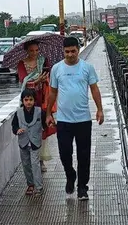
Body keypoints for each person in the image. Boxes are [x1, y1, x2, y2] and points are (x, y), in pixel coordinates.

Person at [46, 36, 104, 200]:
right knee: (65, 153)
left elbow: (94, 89)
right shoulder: (56, 69)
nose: (70, 54)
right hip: (64, 120)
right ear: (63, 52)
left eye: (73, 51)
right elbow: (52, 93)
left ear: (78, 50)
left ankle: (82, 188)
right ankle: (70, 174)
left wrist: (100, 109)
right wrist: (49, 113)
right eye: (67, 52)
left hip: (83, 120)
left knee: (83, 155)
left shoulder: (87, 68)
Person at [16, 39, 55, 174]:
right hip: (29, 101)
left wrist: (44, 79)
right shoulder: (22, 64)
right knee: (29, 129)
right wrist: (37, 80)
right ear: (26, 51)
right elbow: (24, 81)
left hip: (42, 98)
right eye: (31, 51)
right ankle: (31, 159)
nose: (34, 53)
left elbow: (49, 74)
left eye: (37, 50)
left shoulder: (43, 61)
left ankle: (41, 159)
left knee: (41, 129)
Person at [11, 88, 45, 196]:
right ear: (22, 101)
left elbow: (46, 123)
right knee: (26, 164)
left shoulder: (40, 112)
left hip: (35, 142)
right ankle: (30, 184)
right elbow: (14, 126)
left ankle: (39, 187)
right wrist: (17, 130)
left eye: (31, 99)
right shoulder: (18, 113)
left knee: (35, 164)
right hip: (23, 142)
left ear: (34, 101)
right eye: (26, 100)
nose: (28, 102)